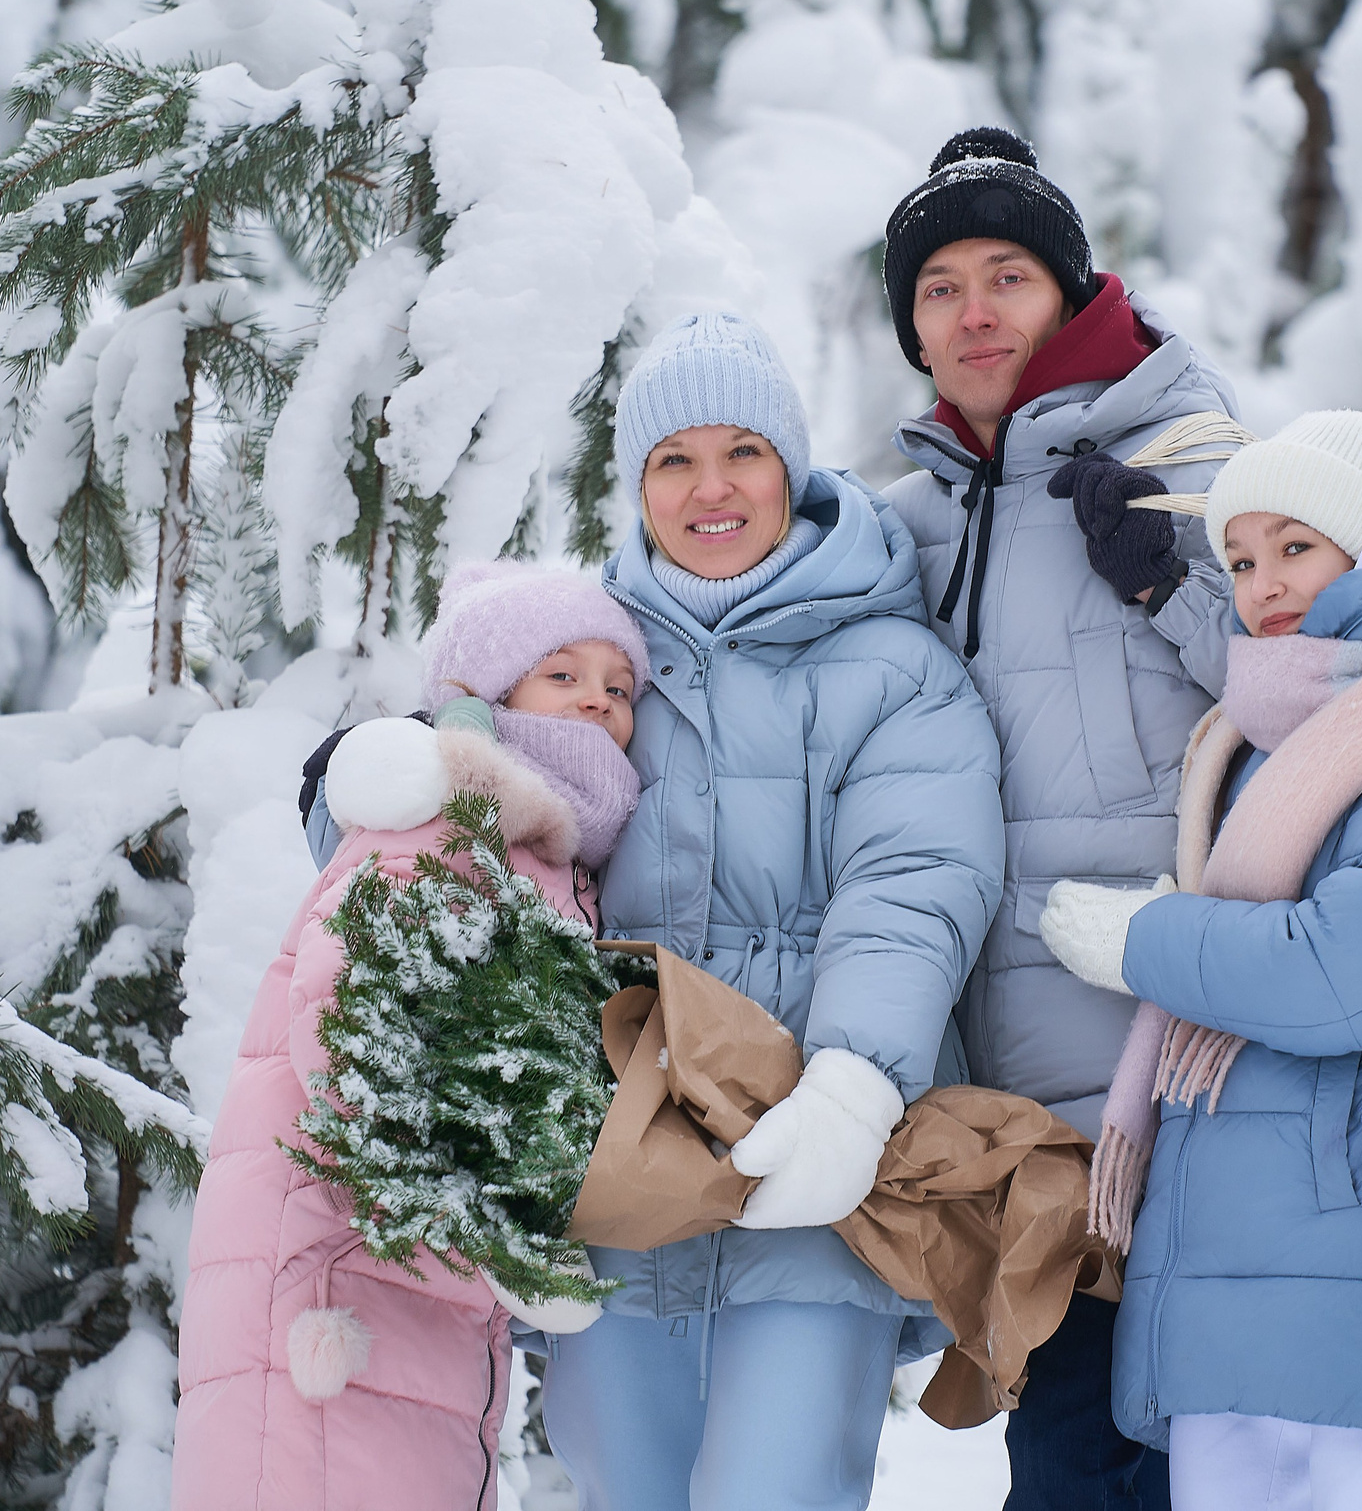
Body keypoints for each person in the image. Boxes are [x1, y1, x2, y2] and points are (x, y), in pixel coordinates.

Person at [525, 308, 1006, 1511]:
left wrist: (855, 1080)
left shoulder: (896, 668)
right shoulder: (585, 656)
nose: (711, 488)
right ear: (637, 486)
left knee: (776, 1490)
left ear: (792, 465)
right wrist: (362, 779)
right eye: (672, 460)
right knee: (622, 1484)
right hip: (616, 1173)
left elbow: (914, 885)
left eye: (742, 450)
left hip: (812, 1169)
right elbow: (468, 820)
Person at [1039, 411, 1362, 1511]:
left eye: (1296, 546)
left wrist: (1146, 941)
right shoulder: (1256, 749)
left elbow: (1340, 971)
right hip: (1238, 1296)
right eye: (1238, 558)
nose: (1262, 583)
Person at [882, 125, 1238, 1507]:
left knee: (1189, 1460)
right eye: (938, 288)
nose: (974, 312)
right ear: (912, 330)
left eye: (1006, 274)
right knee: (1072, 1465)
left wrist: (1168, 581)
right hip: (1020, 1124)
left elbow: (1325, 683)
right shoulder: (901, 523)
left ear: (1068, 291)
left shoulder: (1188, 451)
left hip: (1185, 1072)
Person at [172, 567, 653, 1511]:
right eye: (562, 673)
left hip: (407, 1291)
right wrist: (495, 1242)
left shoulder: (532, 853)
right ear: (487, 695)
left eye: (620, 683)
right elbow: (349, 1040)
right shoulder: (443, 822)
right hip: (333, 1290)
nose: (598, 695)